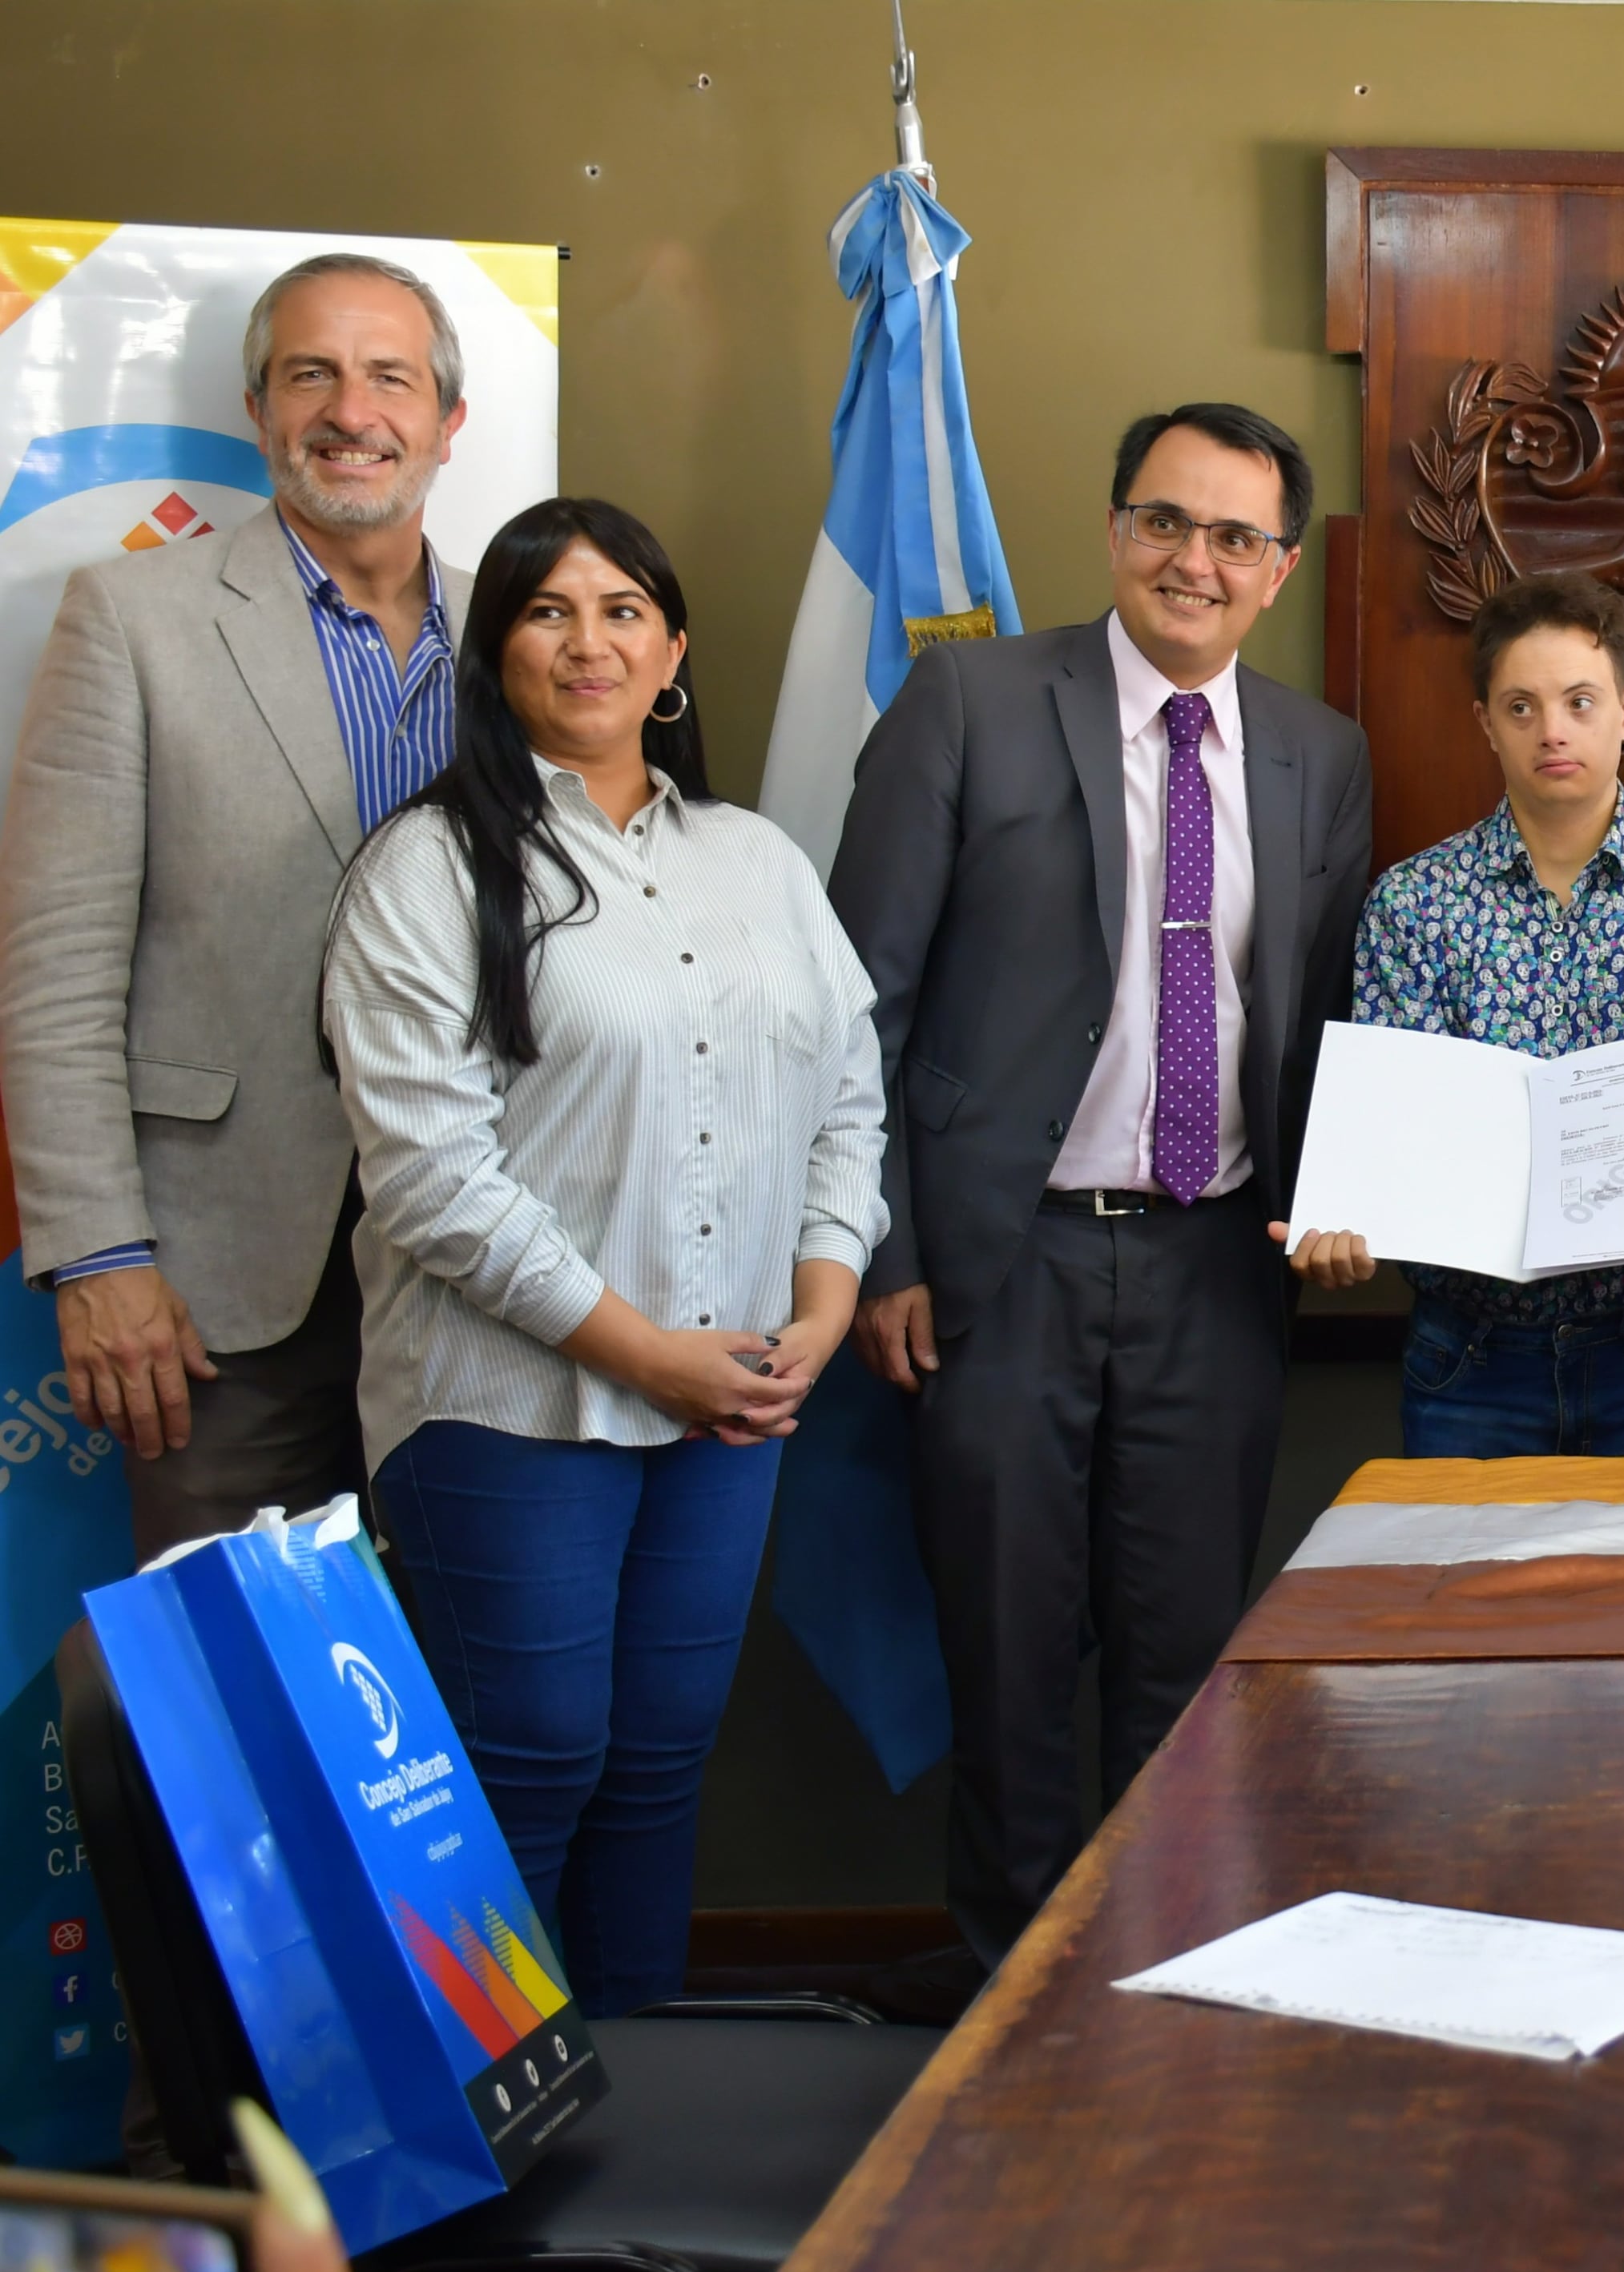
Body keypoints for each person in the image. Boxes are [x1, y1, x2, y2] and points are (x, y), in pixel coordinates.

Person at [828, 403, 1375, 1968]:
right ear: (1117, 528)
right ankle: (1008, 2025)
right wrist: (885, 1251)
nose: (1191, 559)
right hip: (1004, 1269)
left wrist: (1352, 1197)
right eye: (1163, 519)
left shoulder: (1319, 753)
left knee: (1185, 1673)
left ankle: (1162, 2005)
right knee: (1004, 1670)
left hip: (1218, 1265)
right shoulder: (971, 700)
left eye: (1232, 536)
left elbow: (1331, 1015)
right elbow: (853, 997)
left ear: (1276, 569)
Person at [324, 498, 882, 2015]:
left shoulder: (757, 860)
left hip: (739, 1400)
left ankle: (635, 2141)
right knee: (532, 1755)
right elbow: (433, 1177)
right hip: (508, 1407)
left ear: (674, 650)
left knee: (656, 1763)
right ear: (495, 651)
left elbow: (848, 1095)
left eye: (623, 609)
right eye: (548, 611)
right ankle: (475, 2162)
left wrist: (824, 1300)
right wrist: (646, 1351)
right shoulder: (429, 868)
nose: (590, 641)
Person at [1, 252, 472, 1555]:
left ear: (447, 420)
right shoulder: (131, 621)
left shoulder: (527, 643)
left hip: (477, 1276)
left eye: (390, 375)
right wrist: (98, 1256)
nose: (350, 409)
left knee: (460, 1685)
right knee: (235, 1707)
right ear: (261, 408)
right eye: (309, 372)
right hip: (218, 1290)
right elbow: (55, 972)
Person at [1320, 572, 1624, 1458]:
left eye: (1578, 700)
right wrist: (1356, 1210)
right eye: (1519, 706)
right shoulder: (1411, 902)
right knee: (1467, 1598)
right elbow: (1397, 1129)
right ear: (1485, 721)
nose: (1552, 729)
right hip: (1471, 1353)